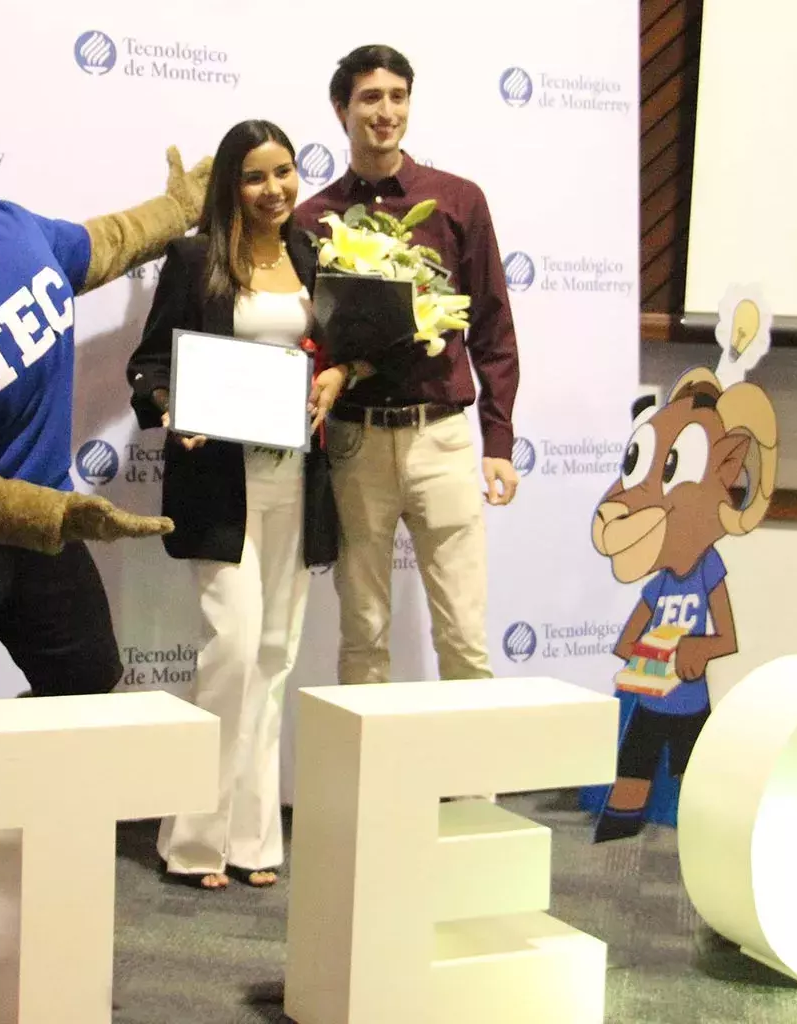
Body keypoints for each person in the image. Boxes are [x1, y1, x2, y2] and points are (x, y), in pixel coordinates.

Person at [127, 120, 351, 889]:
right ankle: (191, 841)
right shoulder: (194, 259)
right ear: (230, 184)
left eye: (284, 172)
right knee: (230, 649)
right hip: (220, 483)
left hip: (298, 478)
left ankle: (254, 841)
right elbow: (151, 362)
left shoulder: (312, 257)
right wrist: (173, 410)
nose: (275, 189)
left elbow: (334, 351)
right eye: (256, 176)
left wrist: (337, 377)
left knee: (274, 656)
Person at [293, 44, 522, 686]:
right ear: (341, 110)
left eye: (397, 97)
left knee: (464, 638)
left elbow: (493, 323)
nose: (385, 112)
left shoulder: (456, 201)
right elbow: (313, 338)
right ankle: (372, 788)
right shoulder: (314, 219)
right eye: (369, 98)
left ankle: (466, 786)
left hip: (443, 437)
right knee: (361, 635)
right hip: (356, 441)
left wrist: (498, 440)